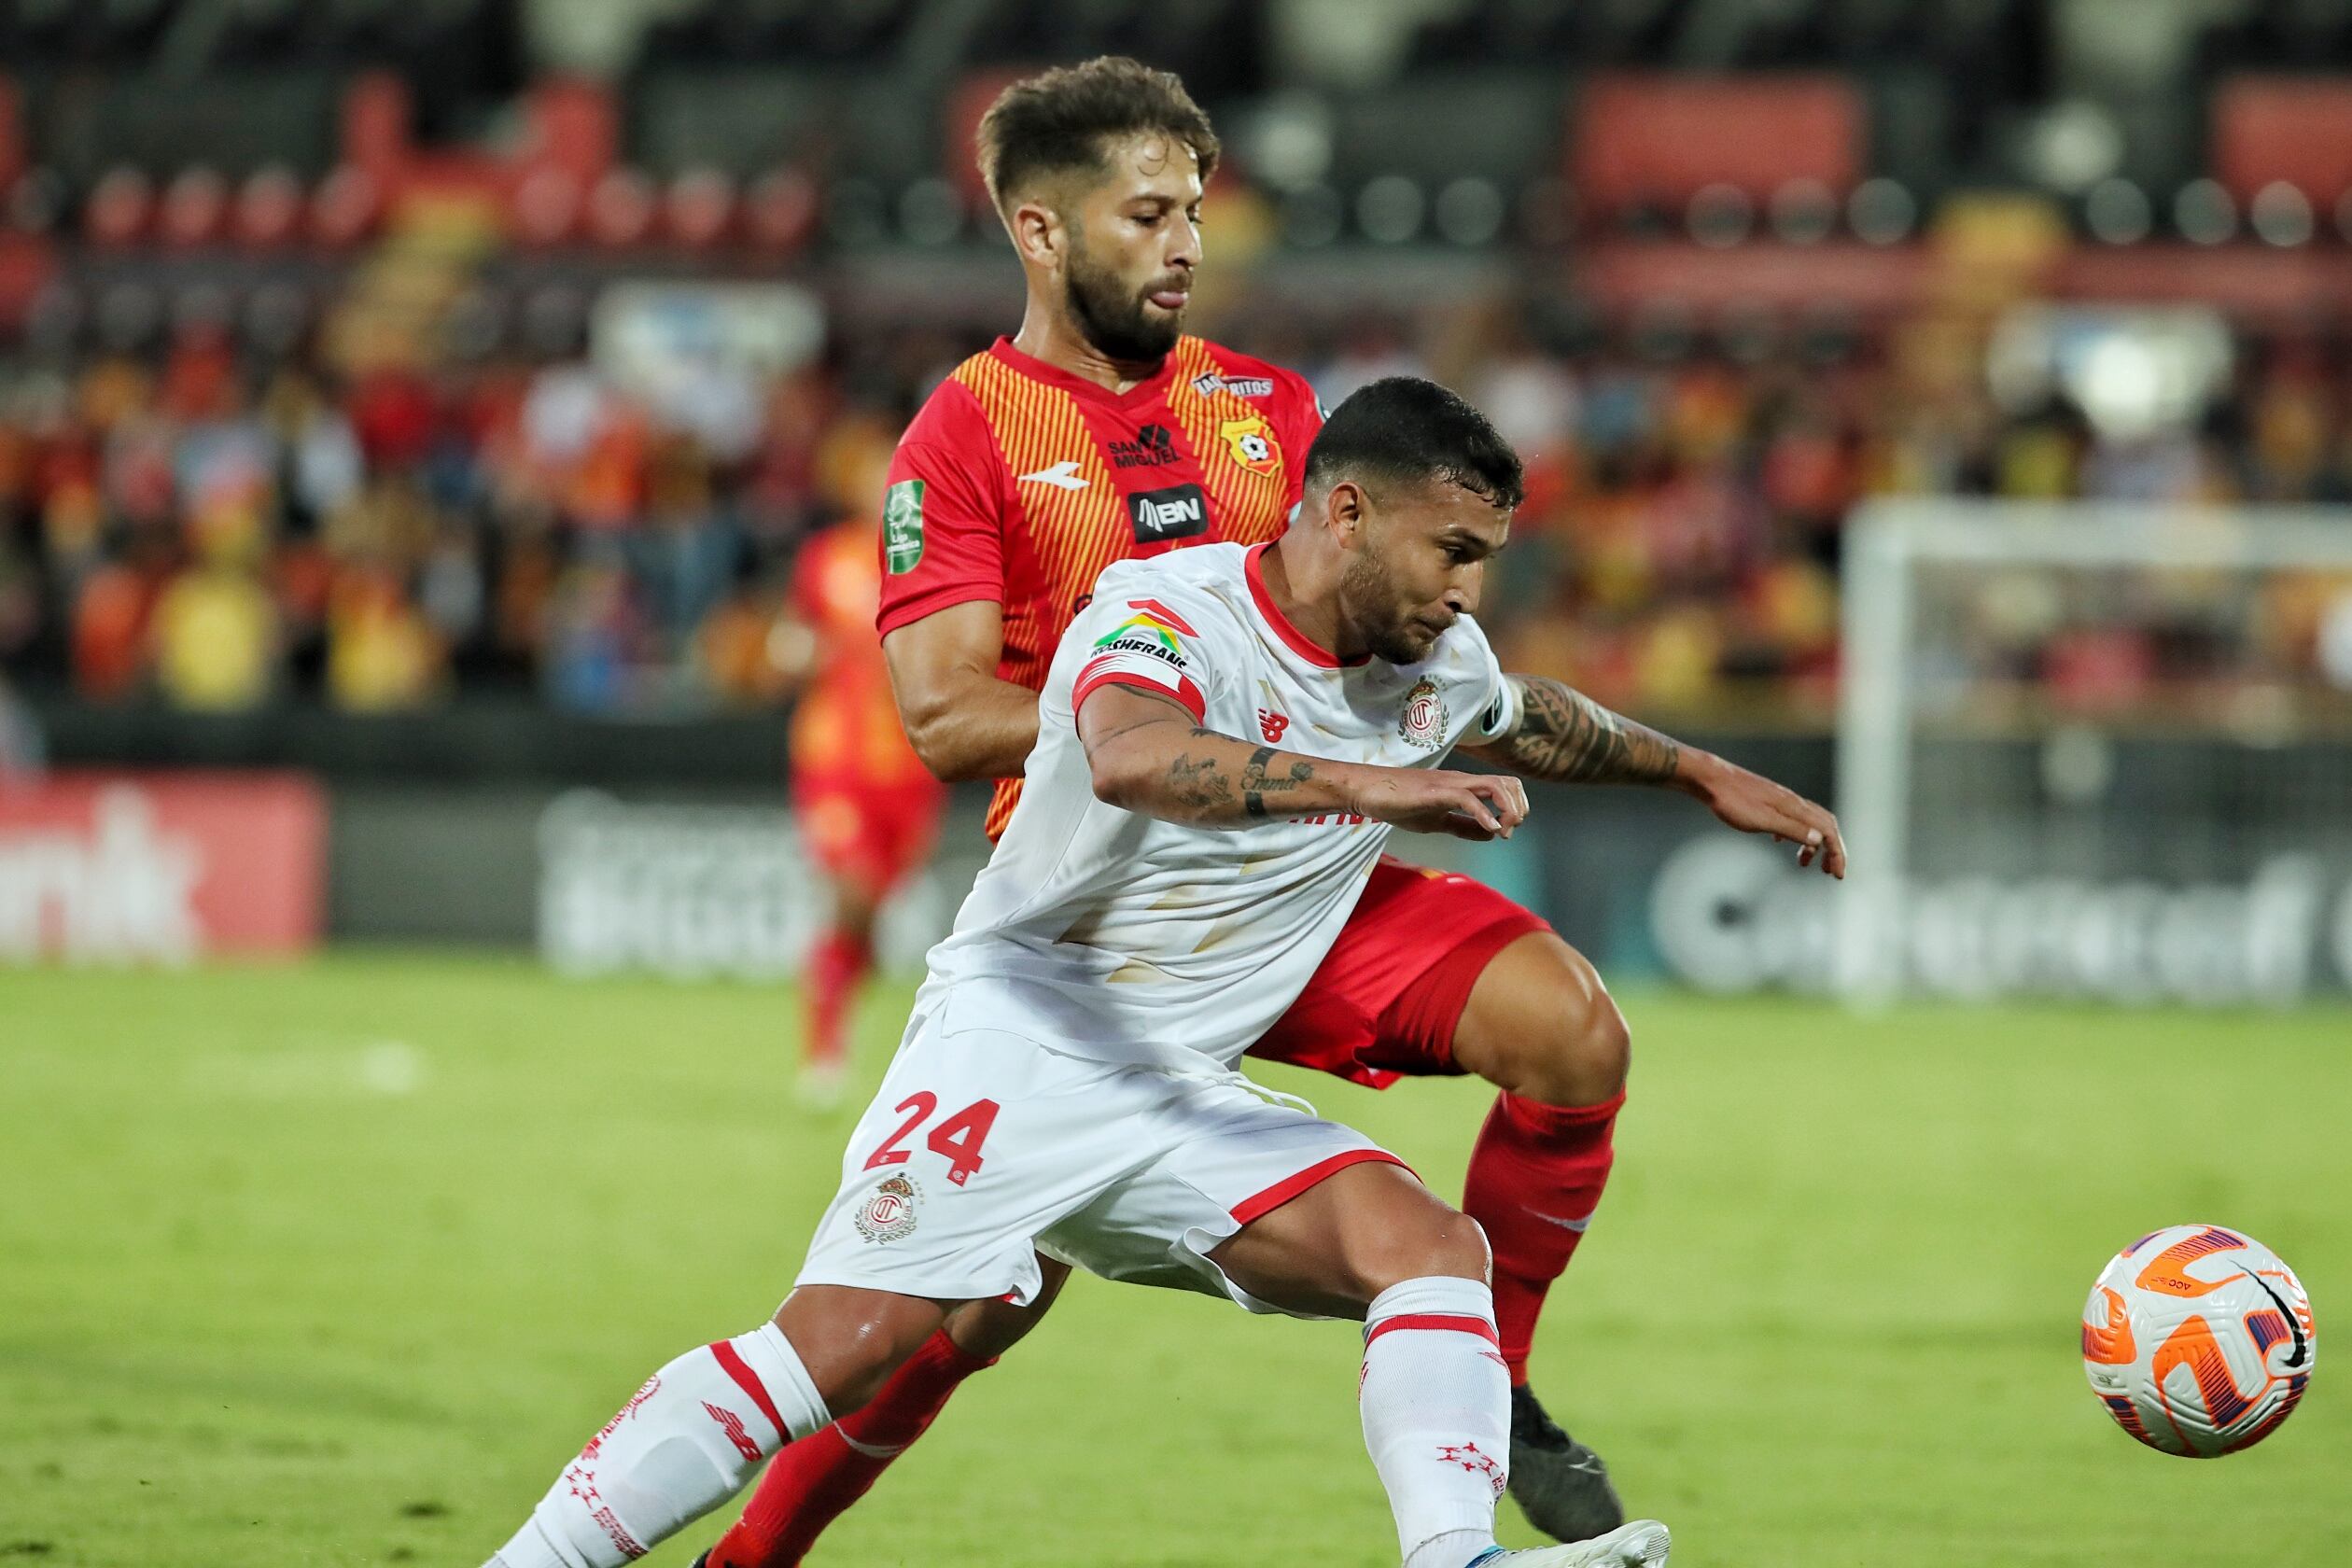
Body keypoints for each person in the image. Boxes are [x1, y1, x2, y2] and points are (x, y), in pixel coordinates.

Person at [481, 377, 1842, 1568]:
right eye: (1452, 551)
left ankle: (1457, 1556)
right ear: (1346, 514)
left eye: (1485, 560)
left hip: (1175, 1086)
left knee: (1430, 1250)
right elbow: (1132, 753)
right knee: (841, 1346)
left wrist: (1704, 772)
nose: (1466, 590)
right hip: (1024, 1038)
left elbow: (1534, 718)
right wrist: (1374, 788)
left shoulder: (1435, 661)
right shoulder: (1168, 609)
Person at [713, 57, 1684, 1563]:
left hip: (1298, 869)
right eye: (1149, 212)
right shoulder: (963, 439)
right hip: (1116, 913)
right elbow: (944, 714)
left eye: (1196, 211)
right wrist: (1151, 727)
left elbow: (1339, 619)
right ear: (1041, 233)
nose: (1185, 243)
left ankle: (1496, 1371)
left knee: (1570, 1029)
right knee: (969, 1305)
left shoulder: (1266, 408)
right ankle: (748, 1557)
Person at [778, 506, 947, 1106]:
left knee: (871, 915)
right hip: (835, 761)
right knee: (849, 893)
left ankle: (840, 996)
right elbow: (794, 635)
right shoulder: (829, 555)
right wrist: (796, 653)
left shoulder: (941, 554)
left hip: (909, 768)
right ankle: (823, 1051)